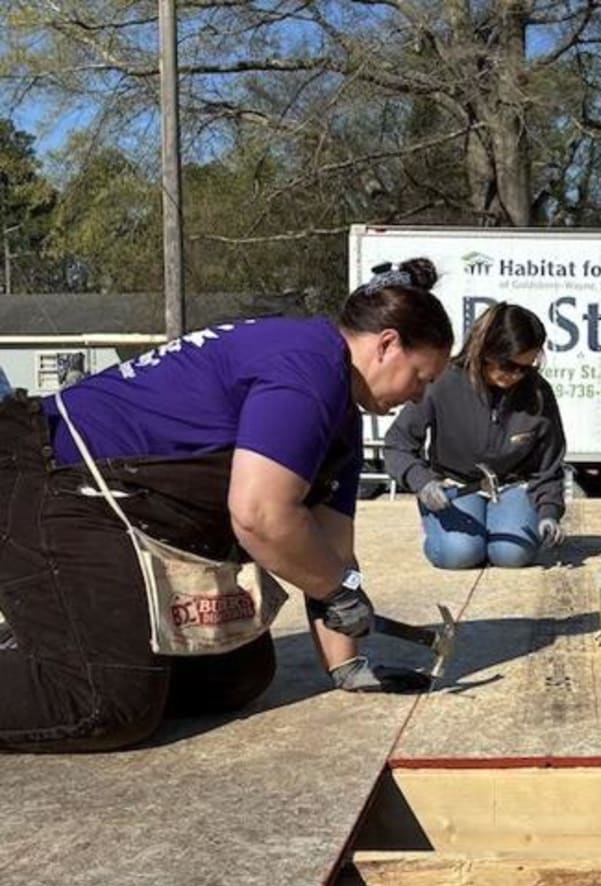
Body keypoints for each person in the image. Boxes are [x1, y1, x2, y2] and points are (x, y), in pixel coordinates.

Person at [0, 258, 455, 753]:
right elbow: (260, 516)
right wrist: (339, 590)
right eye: (421, 377)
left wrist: (349, 667)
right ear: (387, 344)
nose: (418, 397)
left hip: (104, 502)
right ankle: (53, 637)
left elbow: (331, 553)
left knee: (235, 672)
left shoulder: (340, 413)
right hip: (39, 480)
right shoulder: (310, 365)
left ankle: (62, 631)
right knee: (104, 702)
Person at [383, 301, 567, 570]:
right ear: (485, 350)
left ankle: (502, 524)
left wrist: (549, 513)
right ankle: (441, 534)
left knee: (513, 554)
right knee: (459, 554)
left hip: (513, 486)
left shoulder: (539, 394)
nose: (515, 375)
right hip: (454, 486)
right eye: (507, 365)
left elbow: (549, 466)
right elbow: (398, 444)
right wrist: (423, 483)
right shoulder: (442, 381)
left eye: (525, 368)